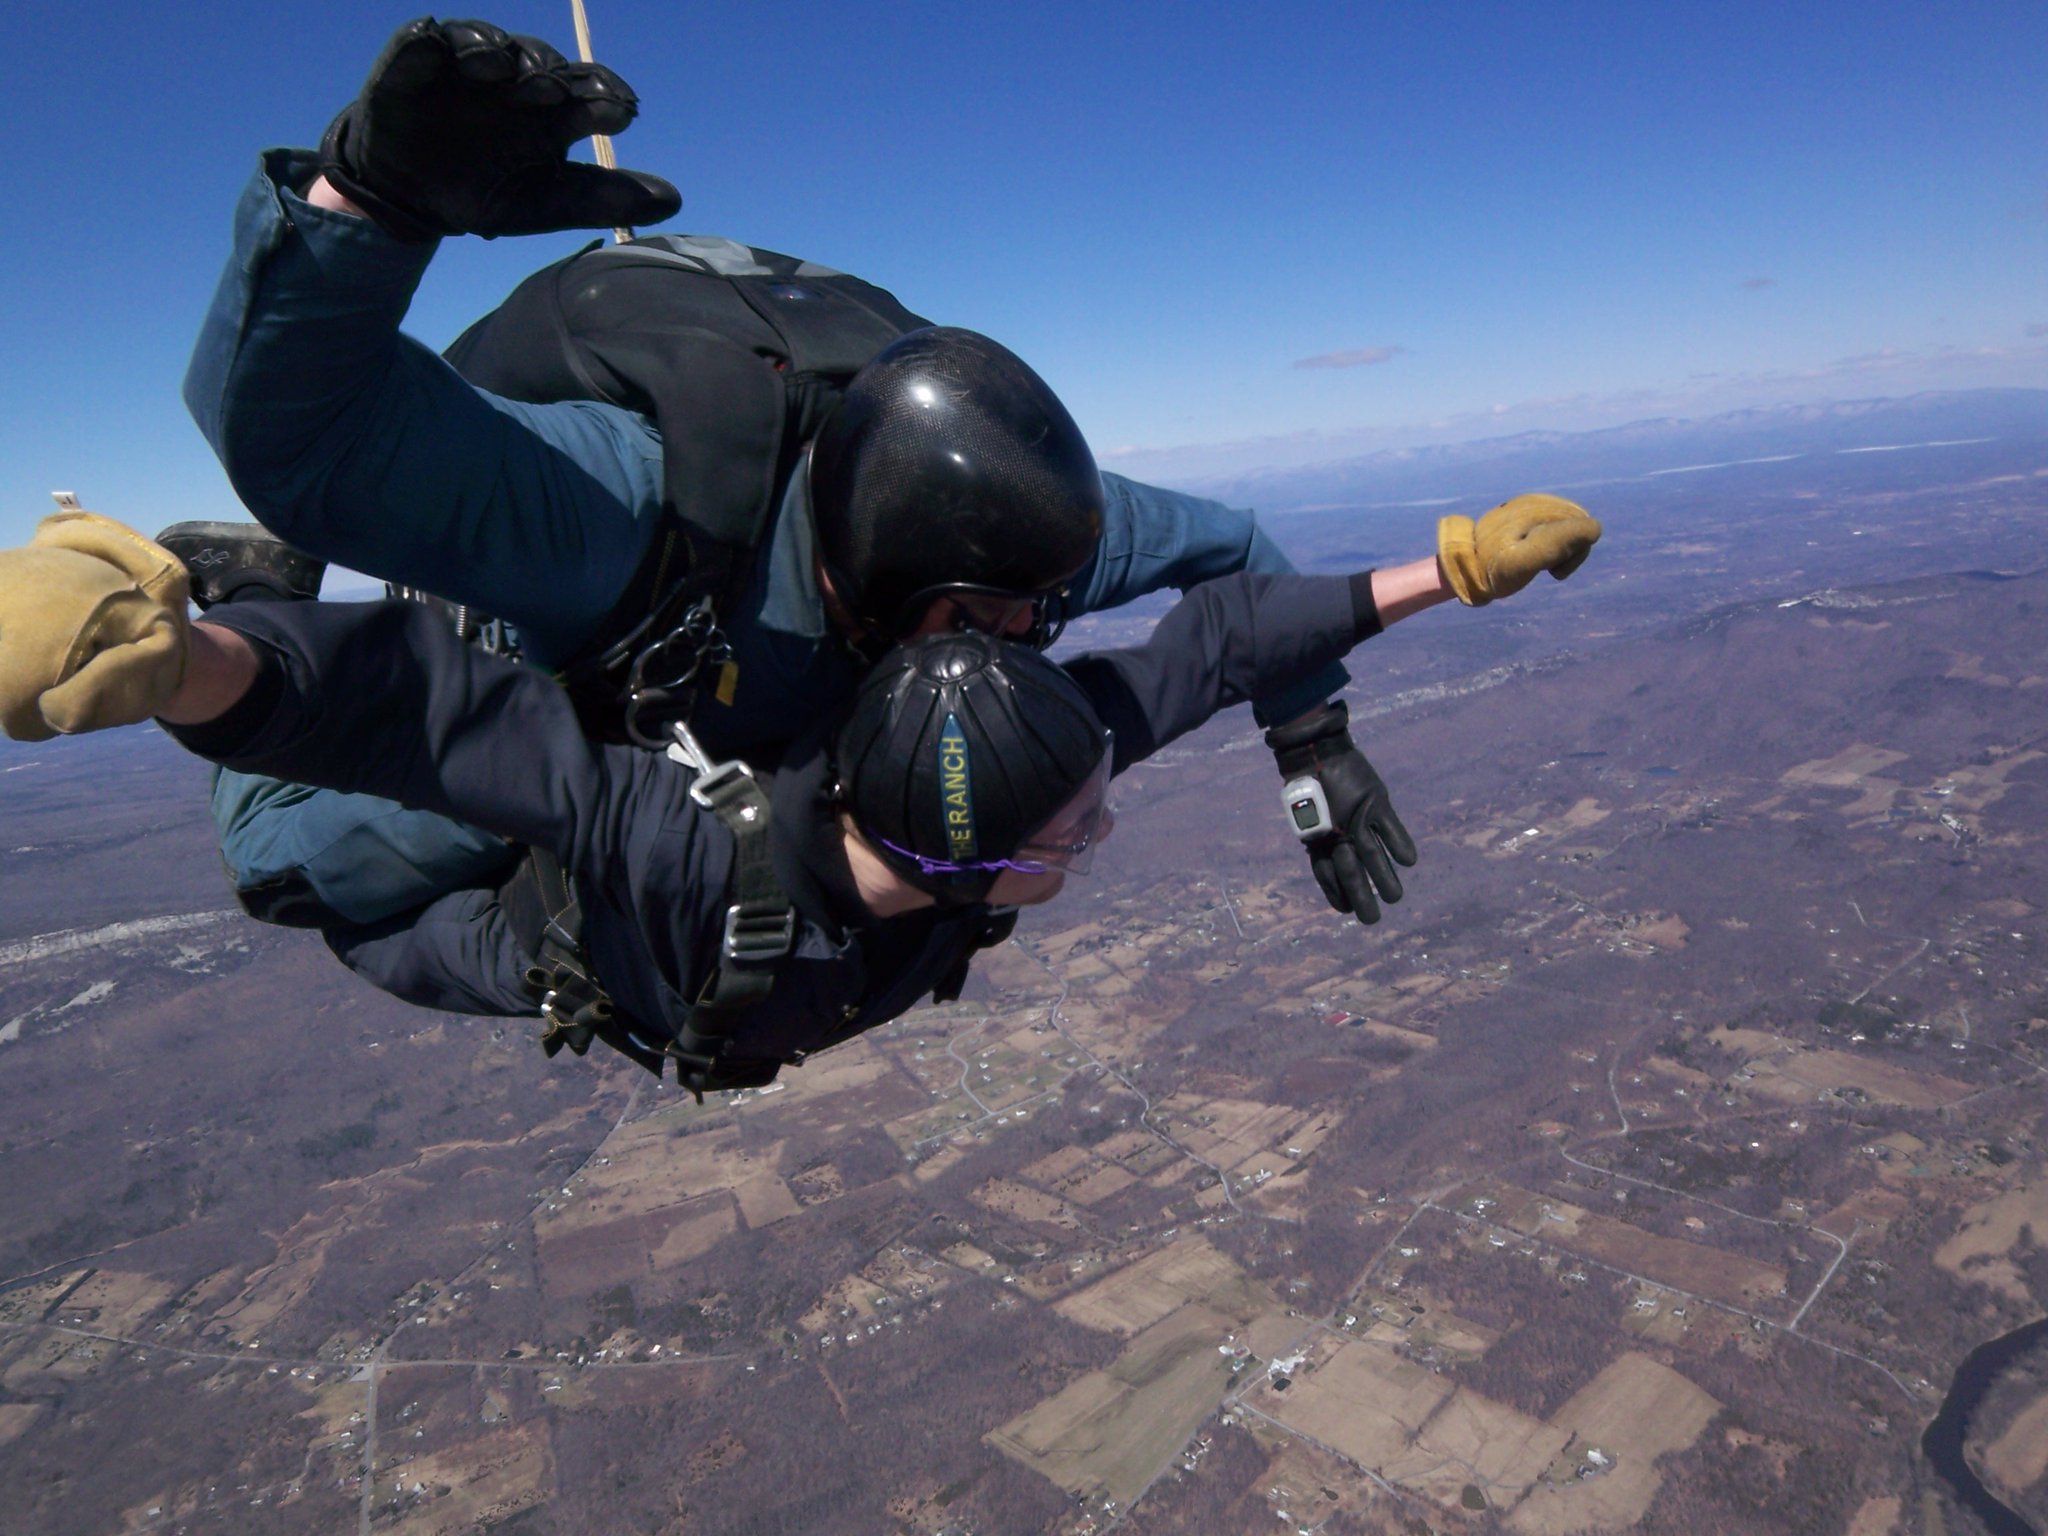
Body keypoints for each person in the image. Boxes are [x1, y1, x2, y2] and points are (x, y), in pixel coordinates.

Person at [176, 16, 1420, 935]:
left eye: (1026, 609)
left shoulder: (1014, 543)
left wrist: (1310, 737)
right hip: (544, 649)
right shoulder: (628, 509)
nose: (1016, 640)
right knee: (303, 868)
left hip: (731, 666)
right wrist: (370, 205)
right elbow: (303, 441)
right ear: (881, 564)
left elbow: (1235, 550)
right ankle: (262, 602)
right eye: (985, 618)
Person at [0, 495, 1600, 1093]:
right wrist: (180, 661)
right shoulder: (688, 857)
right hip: (461, 910)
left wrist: (1445, 572)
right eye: (1073, 833)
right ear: (956, 852)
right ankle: (230, 573)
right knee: (311, 857)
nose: (1098, 824)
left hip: (640, 884)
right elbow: (425, 721)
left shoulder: (991, 767)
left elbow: (1213, 644)